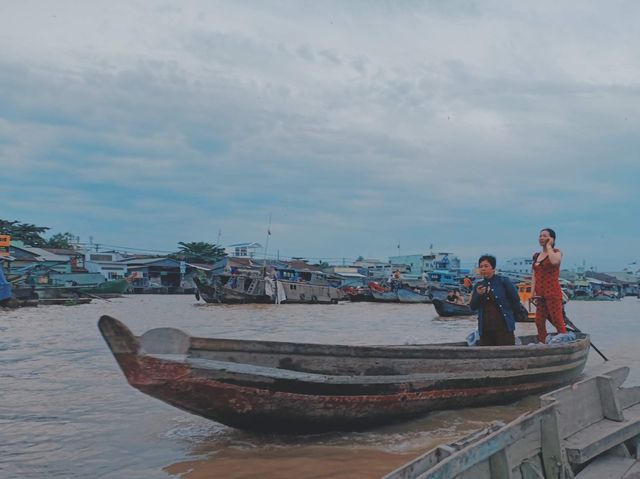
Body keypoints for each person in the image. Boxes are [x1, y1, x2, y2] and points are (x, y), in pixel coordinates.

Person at [469, 254, 520, 346]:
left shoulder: (503, 281)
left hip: (503, 327)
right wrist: (479, 295)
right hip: (485, 328)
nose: (483, 269)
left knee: (506, 352)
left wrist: (512, 317)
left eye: (486, 266)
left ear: (493, 268)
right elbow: (472, 306)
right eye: (481, 267)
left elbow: (515, 300)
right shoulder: (478, 285)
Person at [531, 228, 567, 343]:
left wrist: (549, 246)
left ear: (552, 238)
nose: (541, 238)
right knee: (539, 321)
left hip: (552, 293)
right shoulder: (536, 256)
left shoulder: (556, 252)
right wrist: (532, 293)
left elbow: (555, 262)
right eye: (540, 236)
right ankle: (543, 342)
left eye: (545, 236)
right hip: (540, 295)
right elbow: (534, 275)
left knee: (557, 320)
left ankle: (564, 341)